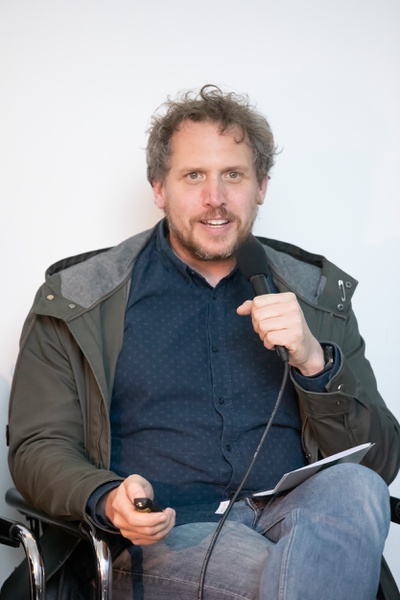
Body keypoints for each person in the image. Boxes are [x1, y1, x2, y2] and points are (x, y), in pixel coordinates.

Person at [4, 85, 400, 600]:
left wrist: (314, 362)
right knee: (286, 575)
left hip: (296, 517)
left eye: (233, 175)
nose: (216, 197)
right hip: (167, 537)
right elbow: (38, 446)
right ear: (159, 188)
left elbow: (379, 464)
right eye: (194, 176)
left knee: (357, 486)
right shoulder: (79, 297)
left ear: (261, 187)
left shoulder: (316, 294)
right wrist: (105, 496)